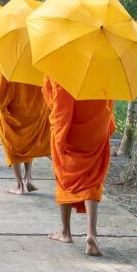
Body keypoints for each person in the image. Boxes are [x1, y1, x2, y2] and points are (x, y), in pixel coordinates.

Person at [43, 79, 114, 256]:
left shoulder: (63, 66)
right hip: (96, 129)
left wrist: (59, 139)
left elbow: (59, 103)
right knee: (92, 180)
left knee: (65, 178)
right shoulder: (105, 66)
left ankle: (66, 232)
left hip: (71, 130)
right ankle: (92, 234)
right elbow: (109, 100)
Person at [0, 76, 50, 195]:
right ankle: (28, 177)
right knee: (29, 141)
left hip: (15, 109)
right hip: (36, 107)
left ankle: (19, 185)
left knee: (12, 145)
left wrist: (1, 108)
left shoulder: (12, 65)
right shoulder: (38, 66)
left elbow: (2, 93)